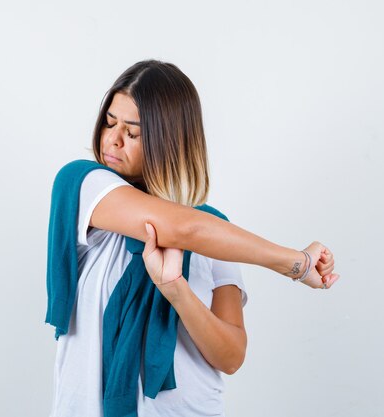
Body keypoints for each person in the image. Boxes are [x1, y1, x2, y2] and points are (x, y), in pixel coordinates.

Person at [46, 60, 339, 417]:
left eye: (133, 133)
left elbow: (230, 356)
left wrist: (176, 290)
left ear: (168, 141)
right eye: (109, 123)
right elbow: (182, 228)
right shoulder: (85, 185)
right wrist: (296, 263)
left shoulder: (218, 233)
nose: (113, 139)